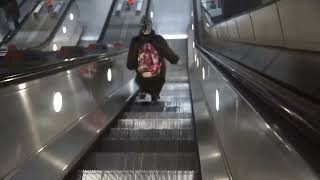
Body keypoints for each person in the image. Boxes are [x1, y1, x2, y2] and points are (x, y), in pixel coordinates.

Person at [127, 16, 179, 102]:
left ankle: (143, 90)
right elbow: (169, 54)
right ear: (151, 26)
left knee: (140, 72)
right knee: (161, 62)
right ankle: (155, 93)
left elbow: (130, 64)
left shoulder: (135, 41)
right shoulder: (159, 40)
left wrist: (135, 66)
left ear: (140, 27)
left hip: (141, 77)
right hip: (157, 77)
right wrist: (175, 60)